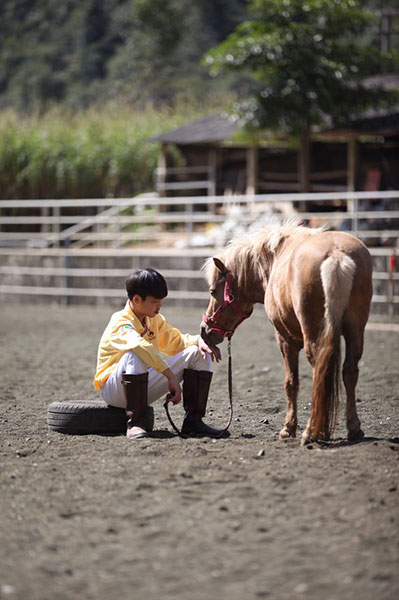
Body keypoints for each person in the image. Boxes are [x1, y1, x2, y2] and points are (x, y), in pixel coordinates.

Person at [94, 268, 222, 439]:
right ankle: (135, 424)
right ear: (136, 299)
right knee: (135, 353)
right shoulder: (120, 321)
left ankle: (194, 422)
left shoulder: (154, 319)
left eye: (161, 301)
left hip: (141, 384)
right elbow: (141, 346)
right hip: (113, 390)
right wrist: (170, 376)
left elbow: (176, 342)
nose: (159, 306)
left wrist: (199, 340)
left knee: (198, 352)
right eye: (154, 301)